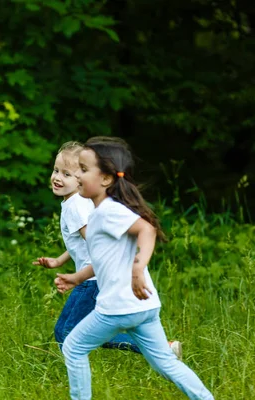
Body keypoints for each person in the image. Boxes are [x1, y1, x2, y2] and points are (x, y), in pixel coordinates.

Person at [54, 137, 214, 400]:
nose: (78, 176)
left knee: (72, 346)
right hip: (145, 307)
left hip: (118, 307)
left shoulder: (108, 211)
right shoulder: (97, 213)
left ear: (106, 179)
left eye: (83, 170)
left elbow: (147, 229)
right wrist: (75, 277)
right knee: (166, 363)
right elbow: (103, 260)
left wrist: (138, 267)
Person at [33, 141, 182, 358]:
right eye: (56, 171)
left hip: (91, 281)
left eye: (67, 174)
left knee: (68, 331)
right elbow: (84, 242)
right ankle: (162, 348)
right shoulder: (77, 202)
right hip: (93, 278)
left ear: (81, 179)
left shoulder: (75, 206)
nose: (57, 177)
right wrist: (59, 260)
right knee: (69, 329)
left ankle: (161, 349)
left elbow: (96, 242)